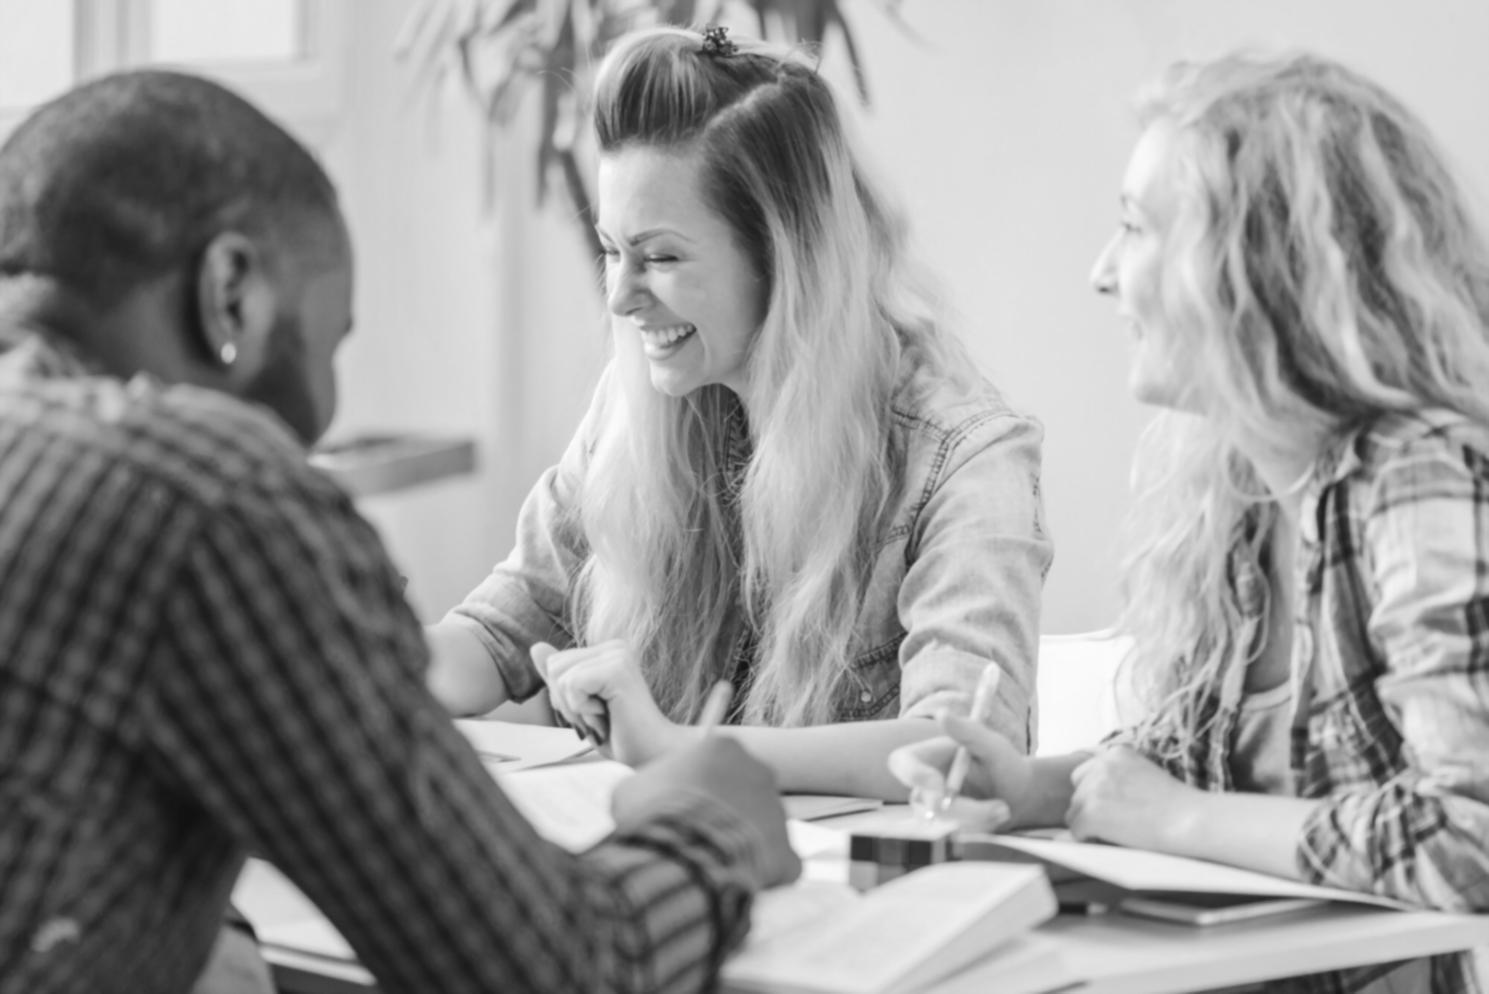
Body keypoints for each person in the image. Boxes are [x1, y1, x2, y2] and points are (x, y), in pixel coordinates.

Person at [0, 68, 799, 994]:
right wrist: (709, 824)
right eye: (333, 339)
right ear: (230, 291)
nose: (324, 411)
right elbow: (550, 970)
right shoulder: (203, 495)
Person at [891, 52, 1489, 992]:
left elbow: (1469, 842)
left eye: (1133, 228)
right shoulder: (1234, 481)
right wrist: (1030, 788)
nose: (1100, 273)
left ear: (1255, 265)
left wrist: (1174, 821)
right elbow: (1186, 762)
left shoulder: (1418, 475)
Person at [426, 25, 1053, 800]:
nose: (620, 297)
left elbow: (966, 752)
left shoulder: (965, 455)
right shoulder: (639, 409)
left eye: (659, 257)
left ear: (784, 255)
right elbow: (495, 633)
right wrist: (347, 665)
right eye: (610, 250)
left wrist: (683, 747)